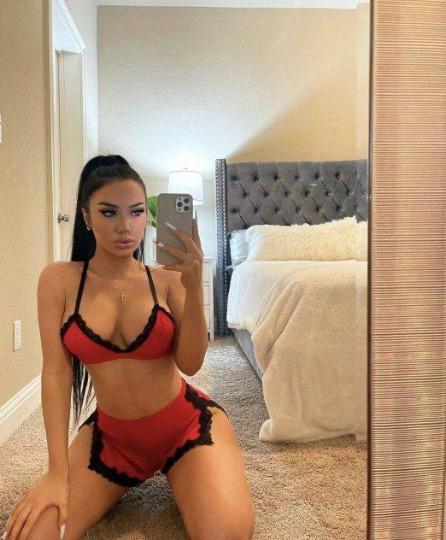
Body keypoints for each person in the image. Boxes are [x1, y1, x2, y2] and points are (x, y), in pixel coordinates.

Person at [2, 155, 255, 540]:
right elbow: (56, 372)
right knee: (33, 535)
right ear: (86, 216)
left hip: (186, 428)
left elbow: (191, 364)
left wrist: (193, 286)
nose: (125, 226)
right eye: (109, 212)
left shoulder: (166, 279)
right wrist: (56, 471)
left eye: (136, 212)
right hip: (111, 441)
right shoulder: (59, 281)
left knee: (225, 535)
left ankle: (196, 471)